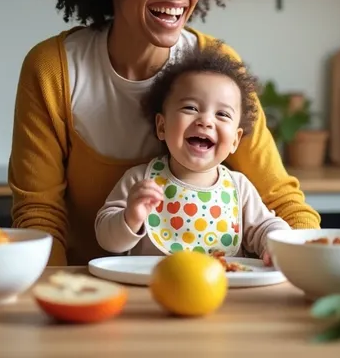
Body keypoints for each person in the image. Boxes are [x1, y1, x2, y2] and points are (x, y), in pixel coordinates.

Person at [8, 0, 321, 267]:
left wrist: (312, 265)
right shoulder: (52, 70)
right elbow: (39, 215)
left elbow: (278, 198)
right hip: (95, 291)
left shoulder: (216, 67)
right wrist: (59, 293)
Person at [95, 44, 291, 265]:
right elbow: (106, 239)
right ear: (162, 126)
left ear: (235, 140)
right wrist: (130, 218)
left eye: (222, 114)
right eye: (190, 108)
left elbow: (266, 226)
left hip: (224, 292)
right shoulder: (140, 180)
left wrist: (276, 243)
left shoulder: (239, 188)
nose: (205, 121)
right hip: (152, 291)